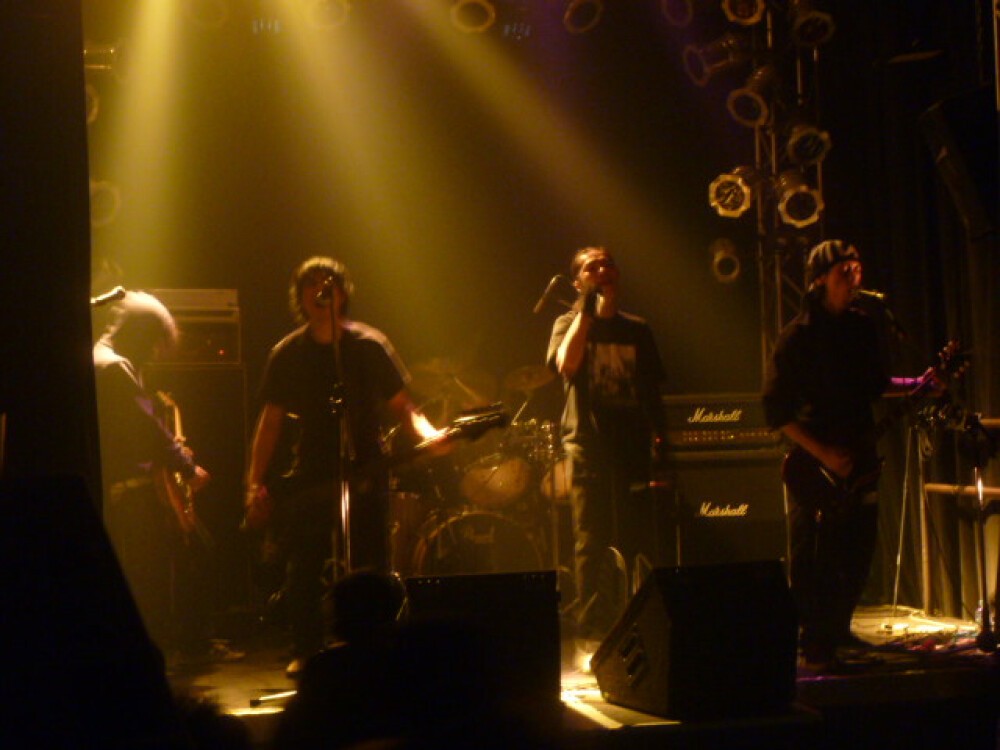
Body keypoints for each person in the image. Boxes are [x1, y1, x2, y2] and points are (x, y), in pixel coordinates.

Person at [243, 256, 443, 678]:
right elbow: (270, 421)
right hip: (312, 474)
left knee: (372, 564)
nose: (321, 290)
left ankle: (376, 647)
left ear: (342, 293)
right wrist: (253, 482)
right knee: (304, 566)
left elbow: (404, 407)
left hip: (367, 469)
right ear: (300, 297)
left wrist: (430, 435)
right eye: (311, 285)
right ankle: (306, 650)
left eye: (329, 283)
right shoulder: (288, 353)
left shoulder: (369, 345)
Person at [762, 239, 943, 673]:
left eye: (857, 269)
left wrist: (919, 383)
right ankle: (814, 640)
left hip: (860, 455)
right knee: (814, 552)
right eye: (844, 271)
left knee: (859, 546)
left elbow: (875, 385)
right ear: (819, 279)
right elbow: (775, 411)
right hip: (814, 463)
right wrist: (823, 453)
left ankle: (838, 628)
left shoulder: (862, 326)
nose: (854, 278)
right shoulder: (798, 336)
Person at [93, 290, 232, 665]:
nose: (155, 353)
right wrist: (187, 466)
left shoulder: (101, 359)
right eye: (155, 343)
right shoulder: (114, 367)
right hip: (131, 495)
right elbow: (148, 430)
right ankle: (162, 653)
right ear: (142, 334)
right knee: (151, 577)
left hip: (120, 492)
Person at [546, 246, 668, 658]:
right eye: (591, 267)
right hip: (587, 445)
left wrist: (661, 443)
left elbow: (652, 391)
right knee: (591, 540)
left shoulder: (638, 329)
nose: (602, 270)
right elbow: (567, 366)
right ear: (577, 281)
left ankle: (638, 620)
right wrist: (586, 309)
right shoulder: (567, 323)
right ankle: (592, 633)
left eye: (607, 264)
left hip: (631, 445)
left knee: (635, 535)